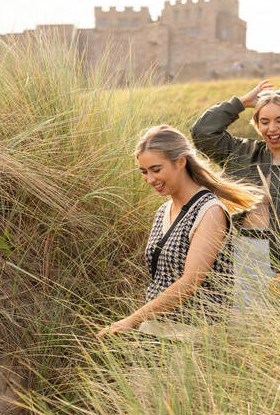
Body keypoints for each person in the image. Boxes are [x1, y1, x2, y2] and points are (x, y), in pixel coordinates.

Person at [96, 125, 260, 340]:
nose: (150, 179)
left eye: (156, 170)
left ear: (181, 161)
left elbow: (190, 282)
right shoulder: (163, 211)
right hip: (156, 331)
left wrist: (130, 320)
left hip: (196, 335)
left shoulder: (209, 211)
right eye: (144, 172)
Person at [190, 80, 280, 287]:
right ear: (257, 125)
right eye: (264, 121)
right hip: (232, 252)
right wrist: (241, 103)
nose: (272, 128)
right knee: (233, 318)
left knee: (278, 318)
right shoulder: (240, 152)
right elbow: (203, 133)